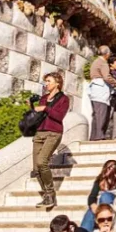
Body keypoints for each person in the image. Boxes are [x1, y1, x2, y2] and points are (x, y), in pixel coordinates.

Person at [31, 72, 70, 207]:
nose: (46, 84)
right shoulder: (43, 98)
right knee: (36, 168)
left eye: (49, 81)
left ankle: (50, 193)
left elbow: (59, 116)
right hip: (39, 134)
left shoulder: (64, 99)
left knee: (42, 162)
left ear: (57, 83)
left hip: (53, 133)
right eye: (45, 81)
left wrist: (46, 108)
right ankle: (47, 196)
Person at [80, 160, 116, 232]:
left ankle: (107, 227)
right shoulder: (100, 179)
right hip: (102, 205)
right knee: (90, 211)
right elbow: (92, 196)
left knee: (105, 196)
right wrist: (93, 205)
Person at [89, 46, 116, 141]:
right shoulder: (103, 63)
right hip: (101, 89)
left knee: (96, 114)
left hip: (94, 89)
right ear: (107, 54)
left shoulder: (96, 62)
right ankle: (99, 136)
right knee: (101, 113)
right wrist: (115, 82)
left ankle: (94, 136)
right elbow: (106, 77)